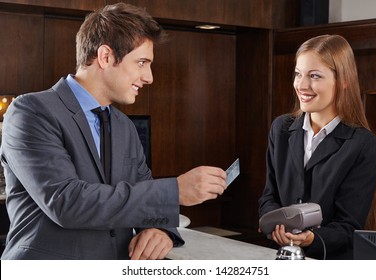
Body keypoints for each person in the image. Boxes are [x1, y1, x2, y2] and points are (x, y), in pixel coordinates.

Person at [0, 2, 227, 260]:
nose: (149, 77)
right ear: (105, 57)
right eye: (141, 62)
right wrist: (175, 191)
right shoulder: (31, 111)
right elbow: (67, 202)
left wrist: (159, 228)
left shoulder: (124, 125)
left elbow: (142, 189)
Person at [258, 34, 376, 260]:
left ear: (343, 80)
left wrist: (310, 239)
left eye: (314, 76)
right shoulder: (281, 129)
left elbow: (347, 226)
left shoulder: (362, 144)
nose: (302, 85)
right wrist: (273, 225)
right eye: (298, 74)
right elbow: (269, 197)